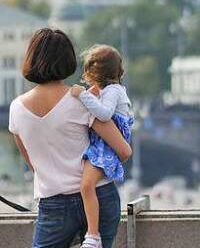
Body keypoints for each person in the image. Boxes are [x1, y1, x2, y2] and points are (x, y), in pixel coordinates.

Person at [7, 28, 132, 248]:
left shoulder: (16, 109)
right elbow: (123, 151)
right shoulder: (82, 100)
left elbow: (34, 164)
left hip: (53, 202)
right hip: (99, 197)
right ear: (68, 60)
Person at [69, 45, 133, 248]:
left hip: (107, 143)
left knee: (86, 185)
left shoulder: (113, 91)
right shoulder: (112, 90)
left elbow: (104, 115)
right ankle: (93, 235)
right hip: (103, 142)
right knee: (87, 185)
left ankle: (93, 236)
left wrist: (83, 95)